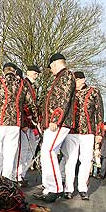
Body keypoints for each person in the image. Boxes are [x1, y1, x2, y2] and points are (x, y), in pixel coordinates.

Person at [0, 62, 35, 182]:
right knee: (10, 154)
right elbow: (31, 104)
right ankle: (7, 182)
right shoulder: (22, 85)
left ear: (4, 71)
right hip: (14, 124)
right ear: (15, 71)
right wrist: (34, 119)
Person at [34, 54, 76, 202]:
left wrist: (55, 119)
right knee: (48, 152)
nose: (50, 70)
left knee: (49, 151)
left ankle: (55, 188)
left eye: (50, 67)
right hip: (56, 121)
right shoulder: (61, 77)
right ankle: (48, 187)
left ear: (55, 64)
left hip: (59, 122)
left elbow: (63, 99)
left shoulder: (66, 76)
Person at [59, 71, 104, 200]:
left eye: (78, 80)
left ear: (83, 80)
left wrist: (99, 133)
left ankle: (83, 188)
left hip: (88, 131)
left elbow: (99, 113)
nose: (76, 82)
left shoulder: (93, 92)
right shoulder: (69, 93)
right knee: (70, 160)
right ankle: (68, 188)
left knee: (86, 160)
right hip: (71, 131)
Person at [16, 65, 41, 186]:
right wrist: (24, 122)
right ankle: (17, 175)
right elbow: (22, 105)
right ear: (28, 72)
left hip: (32, 124)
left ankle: (22, 174)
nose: (36, 75)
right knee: (23, 150)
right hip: (26, 123)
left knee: (31, 150)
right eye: (35, 73)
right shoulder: (24, 84)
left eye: (37, 73)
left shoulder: (33, 87)